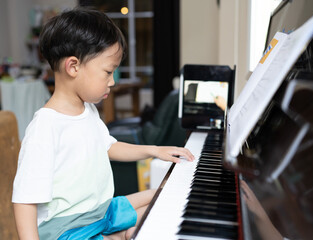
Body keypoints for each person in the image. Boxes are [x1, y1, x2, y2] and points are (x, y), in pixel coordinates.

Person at [12, 8, 194, 240]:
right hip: (66, 230)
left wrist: (155, 150)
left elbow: (108, 146)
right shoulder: (45, 127)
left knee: (166, 194)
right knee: (147, 221)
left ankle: (119, 233)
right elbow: (24, 200)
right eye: (108, 72)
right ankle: (118, 235)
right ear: (73, 67)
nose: (111, 82)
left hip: (99, 212)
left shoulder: (87, 110)